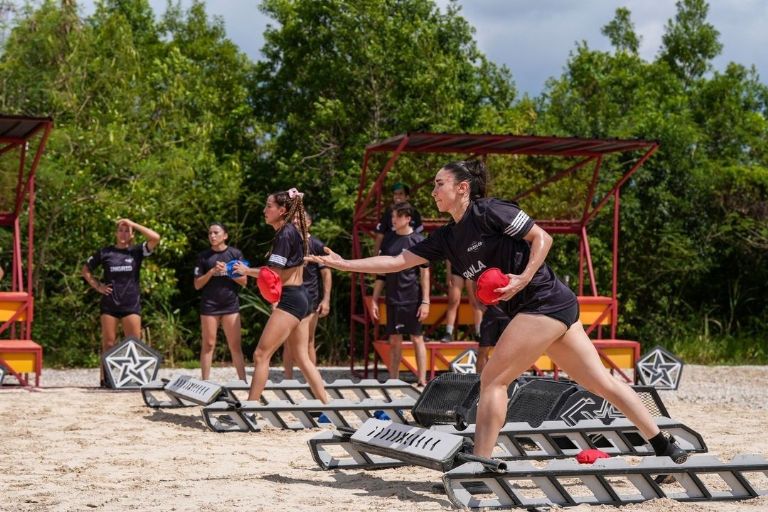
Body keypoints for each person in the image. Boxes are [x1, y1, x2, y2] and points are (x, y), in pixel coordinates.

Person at [306, 160, 688, 463]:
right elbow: (395, 262)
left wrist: (522, 278)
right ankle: (664, 445)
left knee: (492, 380)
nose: (433, 190)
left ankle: (480, 463)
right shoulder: (446, 238)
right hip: (540, 309)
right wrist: (343, 264)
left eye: (440, 183)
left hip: (543, 300)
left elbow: (542, 238)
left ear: (462, 188)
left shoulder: (489, 211)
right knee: (601, 383)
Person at [234, 189, 329, 403]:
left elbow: (273, 274)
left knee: (261, 355)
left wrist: (247, 271)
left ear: (282, 210)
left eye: (269, 206)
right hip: (301, 296)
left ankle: (250, 408)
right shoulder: (291, 231)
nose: (264, 210)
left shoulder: (285, 234)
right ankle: (327, 405)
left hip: (292, 299)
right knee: (302, 358)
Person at [82, 218, 161, 386]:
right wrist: (98, 286)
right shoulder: (105, 252)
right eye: (120, 230)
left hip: (130, 303)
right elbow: (86, 269)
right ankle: (106, 379)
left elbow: (155, 237)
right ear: (115, 233)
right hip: (109, 304)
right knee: (108, 343)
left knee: (133, 343)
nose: (123, 234)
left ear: (132, 234)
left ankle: (134, 378)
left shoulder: (136, 251)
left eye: (127, 231)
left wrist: (133, 223)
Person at [370, 203, 430, 386]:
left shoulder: (419, 240)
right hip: (393, 297)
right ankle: (394, 380)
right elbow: (381, 273)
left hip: (413, 298)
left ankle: (422, 380)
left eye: (396, 217)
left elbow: (425, 273)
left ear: (407, 219)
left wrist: (425, 301)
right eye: (392, 217)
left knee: (417, 338)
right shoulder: (388, 239)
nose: (393, 220)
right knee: (394, 340)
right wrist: (374, 299)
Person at [193, 223, 247, 381]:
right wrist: (211, 271)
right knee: (208, 344)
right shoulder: (203, 256)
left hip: (230, 305)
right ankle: (205, 381)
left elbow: (244, 281)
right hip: (209, 306)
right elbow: (197, 285)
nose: (212, 236)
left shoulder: (235, 254)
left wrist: (227, 271)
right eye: (210, 233)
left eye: (216, 232)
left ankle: (243, 381)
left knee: (235, 346)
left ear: (225, 235)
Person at [282, 212, 332, 379]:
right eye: (294, 218)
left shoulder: (316, 244)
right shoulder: (286, 243)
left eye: (300, 218)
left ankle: (311, 381)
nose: (296, 221)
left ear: (308, 223)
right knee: (288, 341)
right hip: (289, 296)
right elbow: (277, 273)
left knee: (309, 340)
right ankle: (288, 381)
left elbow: (326, 274)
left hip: (311, 298)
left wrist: (326, 299)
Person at [372, 182, 423, 256]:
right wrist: (375, 257)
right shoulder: (388, 212)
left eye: (400, 194)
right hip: (390, 251)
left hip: (409, 254)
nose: (397, 196)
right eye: (395, 194)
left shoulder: (415, 213)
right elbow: (380, 235)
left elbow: (419, 235)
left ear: (407, 197)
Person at [442, 263, 483, 342]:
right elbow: (448, 257)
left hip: (473, 268)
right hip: (457, 268)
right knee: (453, 301)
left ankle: (479, 333)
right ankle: (448, 333)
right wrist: (448, 273)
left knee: (476, 302)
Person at [476, 306, 510, 374]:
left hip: (509, 316)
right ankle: (479, 378)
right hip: (490, 316)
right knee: (483, 350)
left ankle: (507, 378)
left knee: (508, 351)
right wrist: (479, 306)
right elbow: (474, 299)